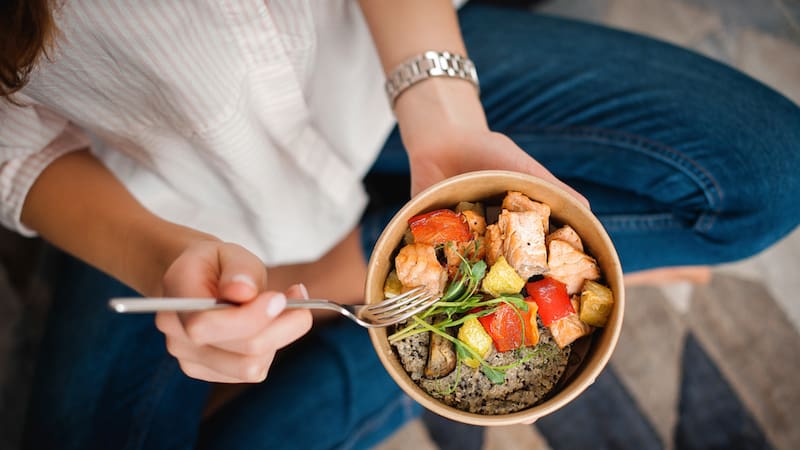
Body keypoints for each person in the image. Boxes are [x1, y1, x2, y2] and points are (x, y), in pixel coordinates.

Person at [1, 0, 798, 449]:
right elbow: (14, 150)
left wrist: (445, 116)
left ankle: (372, 300)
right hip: (165, 195)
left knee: (772, 173)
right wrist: (158, 259)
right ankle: (391, 308)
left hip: (385, 74)